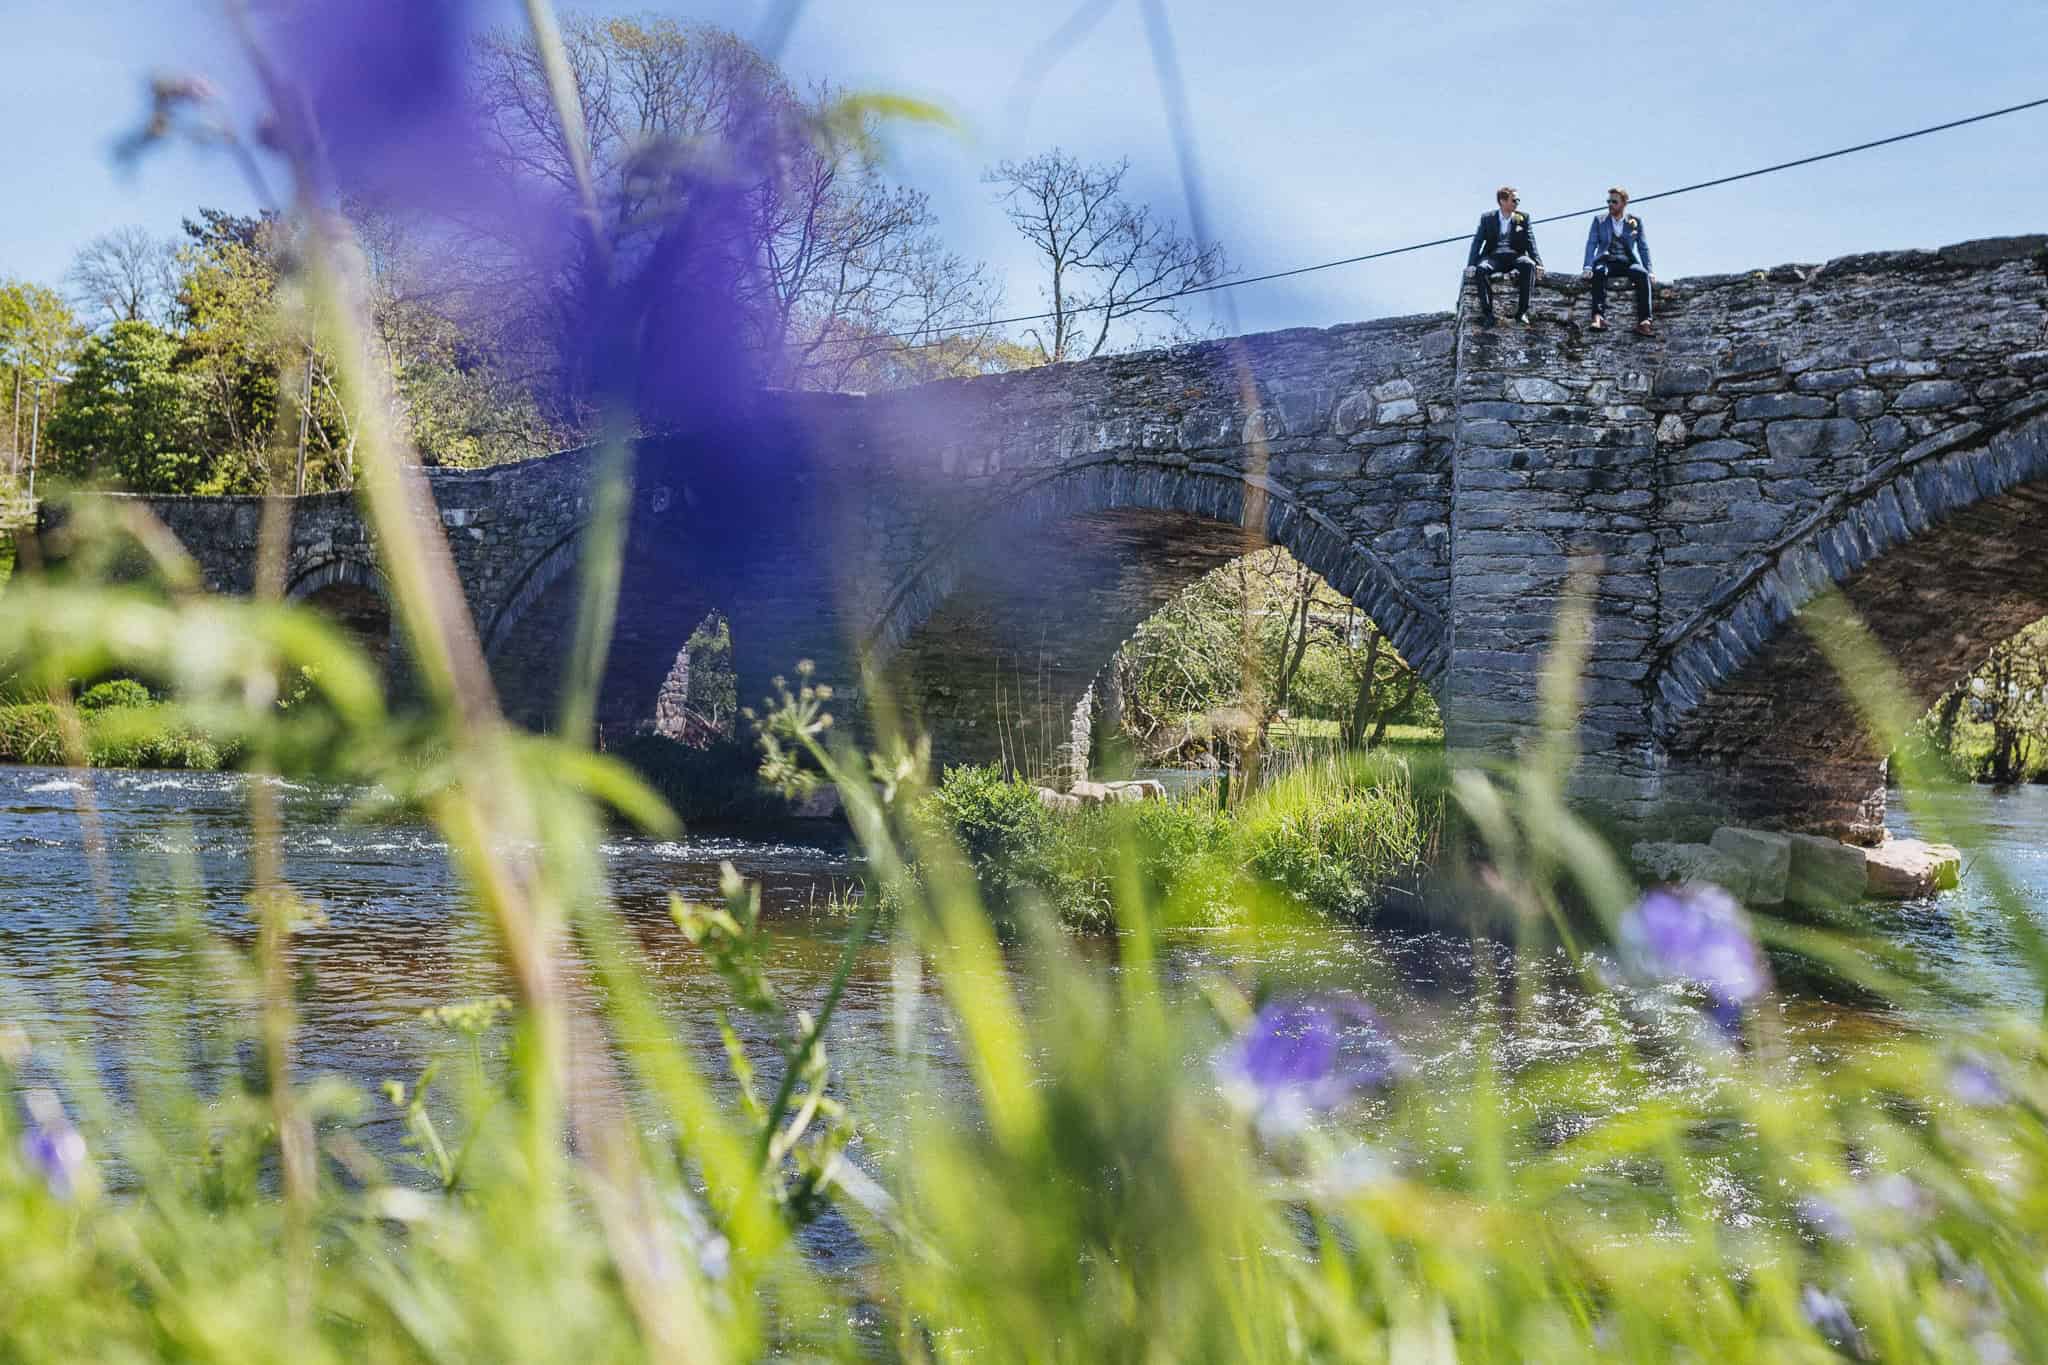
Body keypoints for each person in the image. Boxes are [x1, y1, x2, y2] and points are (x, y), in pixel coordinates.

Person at [1465, 186, 1543, 327]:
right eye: (1514, 200)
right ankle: (1488, 314)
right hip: (1494, 257)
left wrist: (1539, 263)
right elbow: (1477, 241)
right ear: (1502, 201)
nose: (1517, 203)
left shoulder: (1523, 218)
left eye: (1518, 200)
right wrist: (1471, 263)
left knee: (1528, 264)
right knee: (1481, 269)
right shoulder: (1487, 218)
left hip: (1515, 256)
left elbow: (1531, 241)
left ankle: (1522, 312)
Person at [1582, 187, 1654, 335]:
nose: (1610, 204)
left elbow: (1643, 247)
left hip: (1627, 262)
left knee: (1642, 274)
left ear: (1624, 203)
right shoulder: (1599, 220)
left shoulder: (1635, 222)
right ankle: (1598, 317)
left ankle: (1644, 321)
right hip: (1607, 261)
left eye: (1614, 202)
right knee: (1599, 272)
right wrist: (1588, 266)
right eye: (1608, 201)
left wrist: (1650, 270)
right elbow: (1591, 243)